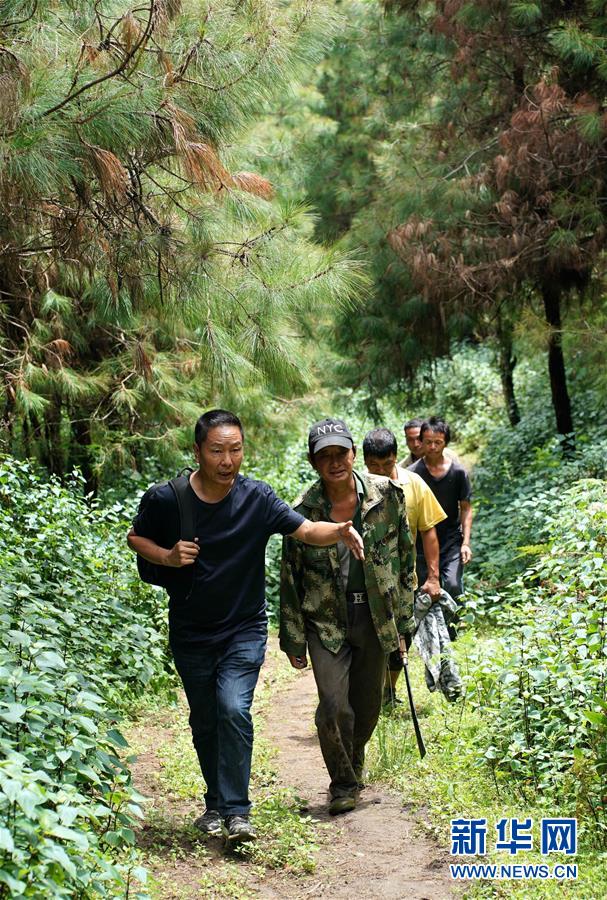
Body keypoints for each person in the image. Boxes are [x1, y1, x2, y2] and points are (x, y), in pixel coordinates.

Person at [127, 409, 364, 845]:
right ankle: (215, 804)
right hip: (191, 629)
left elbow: (306, 529)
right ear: (197, 451)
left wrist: (339, 531)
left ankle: (237, 812)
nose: (227, 460)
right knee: (205, 718)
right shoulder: (168, 498)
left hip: (244, 628)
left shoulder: (257, 498)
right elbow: (135, 538)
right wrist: (165, 556)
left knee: (233, 708)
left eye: (235, 450)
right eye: (217, 450)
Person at [280, 418, 414, 815]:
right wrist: (293, 638)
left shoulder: (387, 496)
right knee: (333, 705)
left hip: (375, 614)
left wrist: (403, 622)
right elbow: (290, 577)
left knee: (368, 703)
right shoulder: (302, 512)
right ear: (313, 461)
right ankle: (342, 783)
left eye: (341, 453)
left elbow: (406, 558)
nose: (335, 462)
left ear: (354, 454)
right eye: (326, 456)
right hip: (325, 620)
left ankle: (353, 763)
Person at [363, 427, 447, 704]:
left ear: (396, 457)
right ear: (364, 462)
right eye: (373, 466)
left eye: (386, 465)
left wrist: (433, 577)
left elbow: (429, 532)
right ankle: (369, 692)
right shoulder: (356, 488)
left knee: (402, 638)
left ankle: (388, 690)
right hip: (366, 582)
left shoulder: (414, 484)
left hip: (403, 581)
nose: (381, 472)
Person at [408, 417, 473, 605]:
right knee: (424, 591)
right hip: (422, 542)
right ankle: (431, 632)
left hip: (451, 539)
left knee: (453, 585)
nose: (433, 447)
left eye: (438, 442)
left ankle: (455, 629)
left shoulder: (458, 473)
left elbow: (466, 509)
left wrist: (466, 543)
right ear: (421, 442)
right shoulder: (413, 474)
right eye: (428, 442)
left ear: (446, 443)